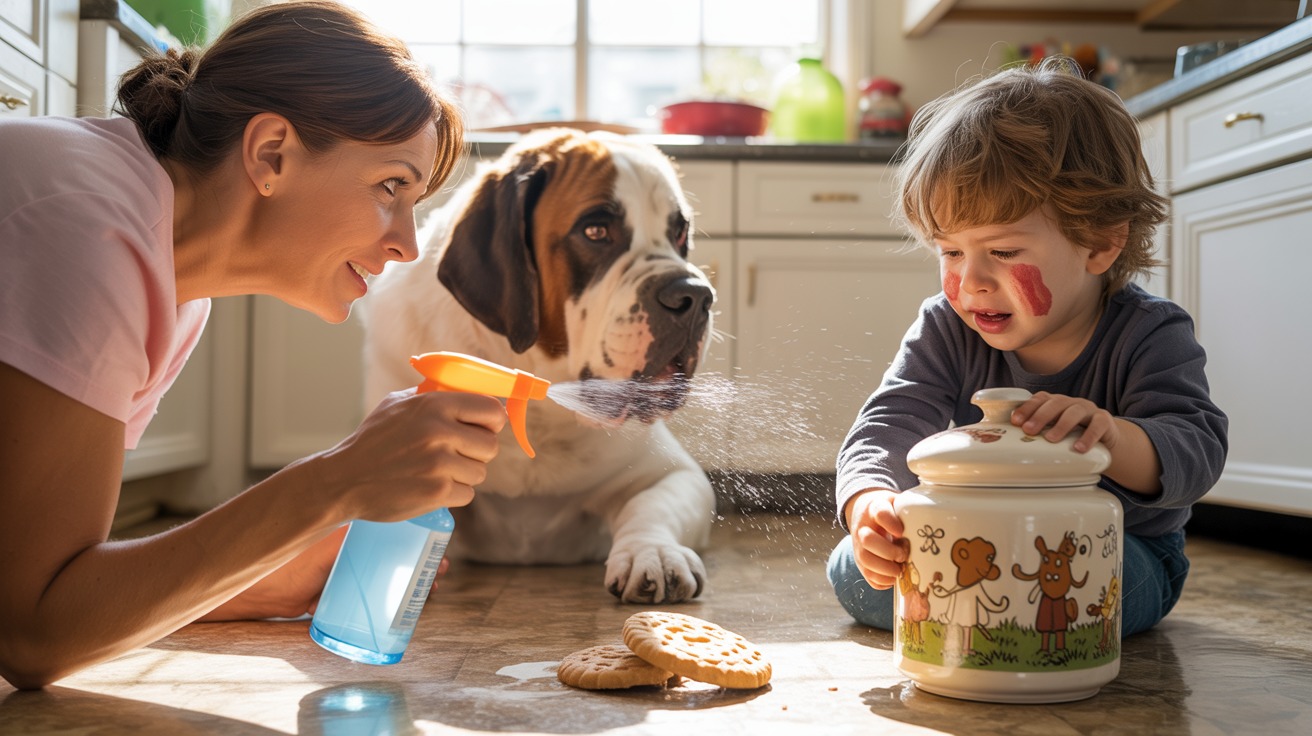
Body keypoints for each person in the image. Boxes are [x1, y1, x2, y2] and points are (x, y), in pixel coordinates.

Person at [0, 2, 506, 690]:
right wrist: (334, 482)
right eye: (392, 186)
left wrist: (255, 580)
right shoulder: (90, 225)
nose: (406, 244)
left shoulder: (173, 291)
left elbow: (47, 576)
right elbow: (32, 632)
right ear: (272, 154)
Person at [826, 60, 1228, 638]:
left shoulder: (1152, 332)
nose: (972, 282)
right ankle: (995, 619)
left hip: (1119, 549)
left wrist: (1112, 437)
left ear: (1100, 242)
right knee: (854, 573)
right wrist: (870, 504)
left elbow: (1197, 449)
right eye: (951, 253)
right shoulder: (947, 325)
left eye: (1005, 252)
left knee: (1108, 588)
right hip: (973, 540)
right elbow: (890, 419)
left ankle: (976, 619)